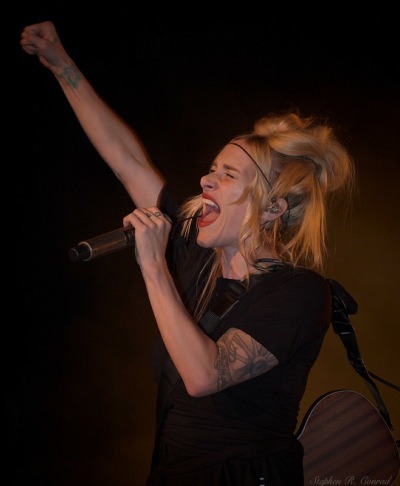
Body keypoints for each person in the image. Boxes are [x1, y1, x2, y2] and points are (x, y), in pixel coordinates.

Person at [21, 22, 354, 485]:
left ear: (272, 208)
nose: (206, 180)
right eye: (212, 168)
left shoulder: (299, 292)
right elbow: (127, 160)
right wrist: (63, 67)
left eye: (229, 175)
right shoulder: (197, 258)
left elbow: (204, 375)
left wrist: (153, 265)